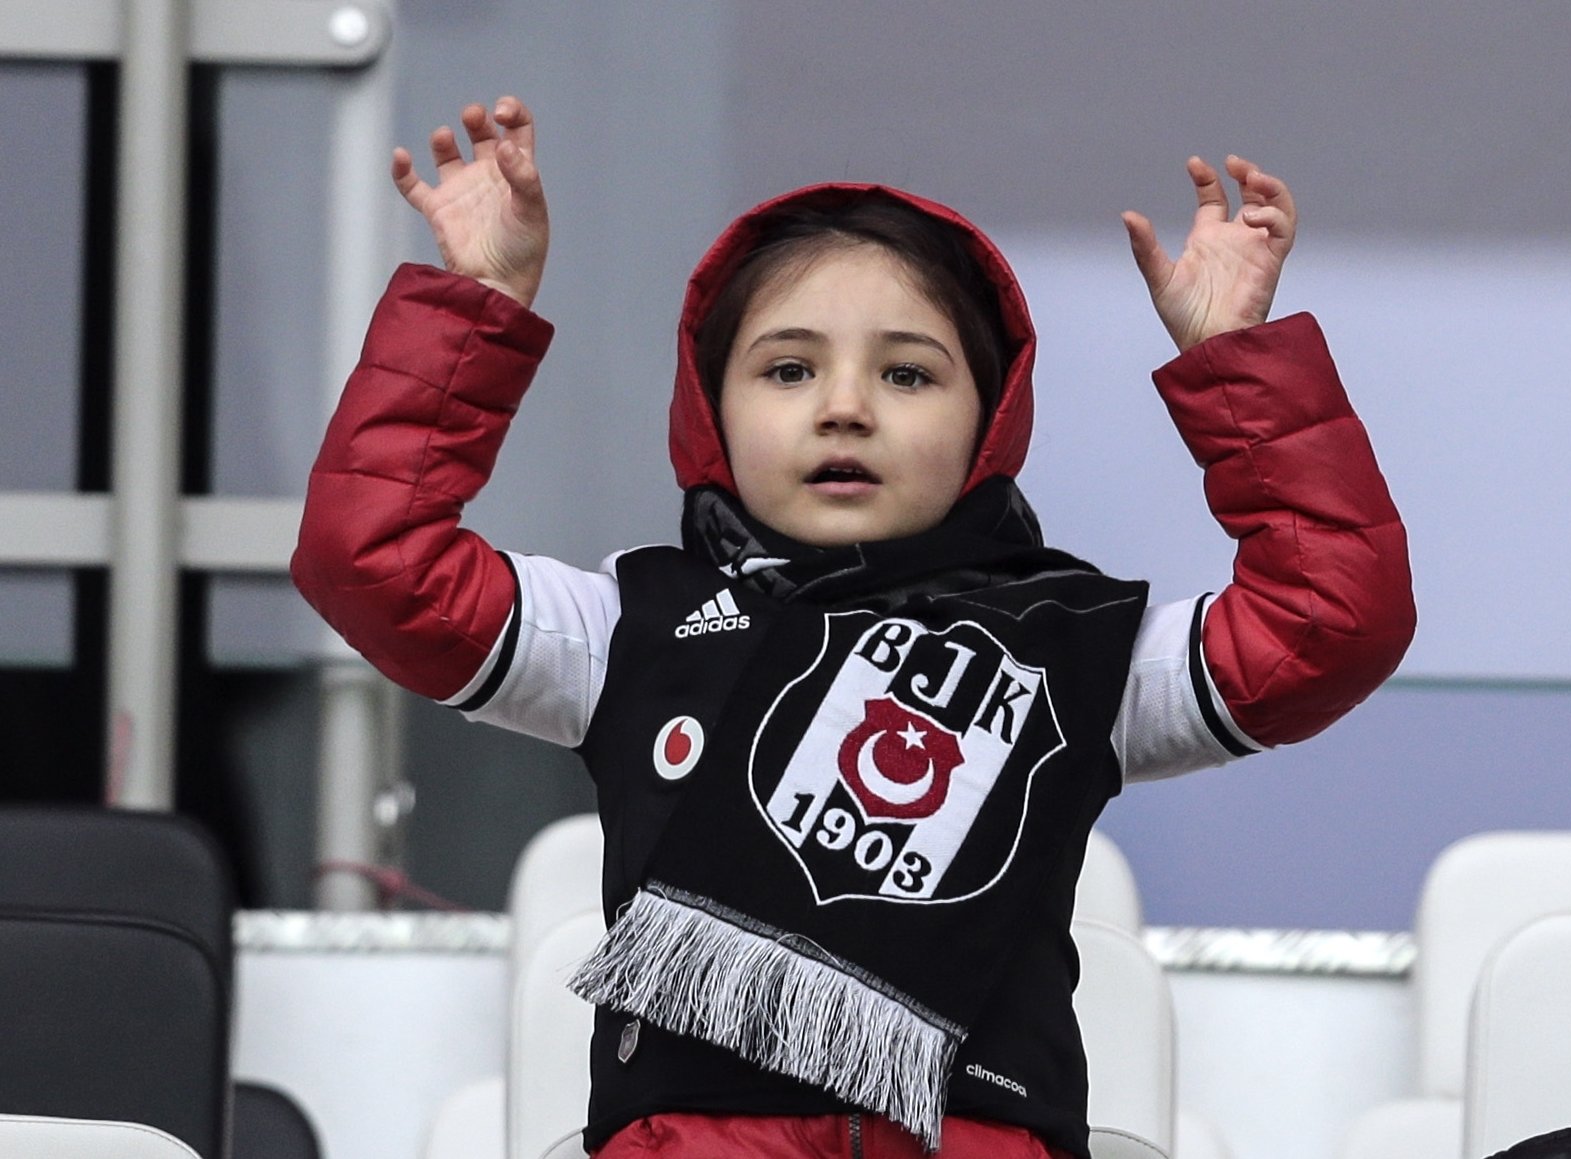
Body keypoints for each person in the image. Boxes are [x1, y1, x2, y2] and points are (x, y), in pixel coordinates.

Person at [292, 96, 1414, 1159]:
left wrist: (1235, 361)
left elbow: (1332, 619)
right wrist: (478, 305)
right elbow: (372, 558)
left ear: (991, 416)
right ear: (709, 405)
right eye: (787, 368)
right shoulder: (625, 620)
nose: (844, 405)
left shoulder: (1079, 646)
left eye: (907, 373)